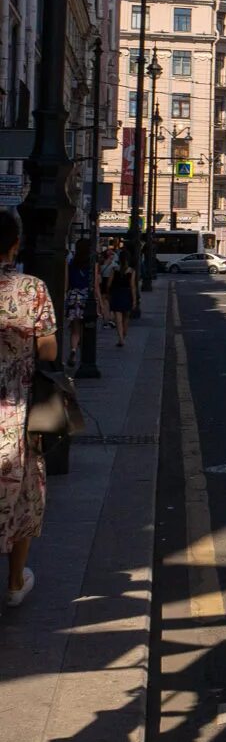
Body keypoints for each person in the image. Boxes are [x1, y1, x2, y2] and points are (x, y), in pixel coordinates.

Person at [1, 208, 59, 609]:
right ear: (15, 245)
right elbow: (49, 350)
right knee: (22, 492)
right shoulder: (32, 288)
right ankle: (16, 582)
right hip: (18, 408)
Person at [63, 238, 96, 368]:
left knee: (75, 329)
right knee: (87, 327)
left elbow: (66, 282)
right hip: (87, 296)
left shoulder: (71, 262)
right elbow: (95, 285)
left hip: (73, 296)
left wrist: (66, 296)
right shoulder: (92, 264)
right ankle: (85, 357)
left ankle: (73, 350)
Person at [105, 252, 137, 347]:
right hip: (126, 294)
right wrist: (134, 299)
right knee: (126, 317)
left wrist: (108, 293)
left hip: (116, 294)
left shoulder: (114, 269)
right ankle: (124, 333)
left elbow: (108, 284)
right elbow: (133, 286)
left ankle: (121, 339)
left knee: (118, 319)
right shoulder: (131, 271)